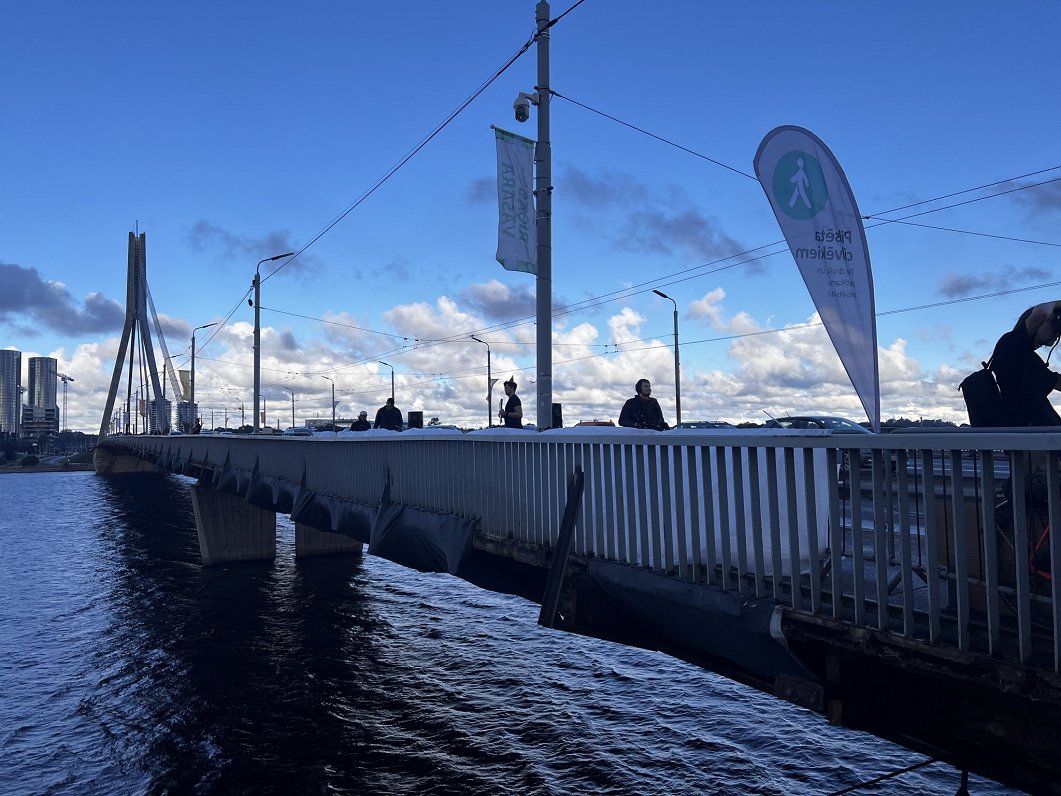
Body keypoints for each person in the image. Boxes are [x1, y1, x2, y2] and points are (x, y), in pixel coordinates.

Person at [990, 300, 1061, 426]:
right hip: (1027, 435)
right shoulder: (1010, 343)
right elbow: (1042, 312)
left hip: (1038, 434)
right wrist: (1057, 305)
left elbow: (1057, 382)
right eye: (1053, 321)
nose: (1058, 330)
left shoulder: (1029, 360)